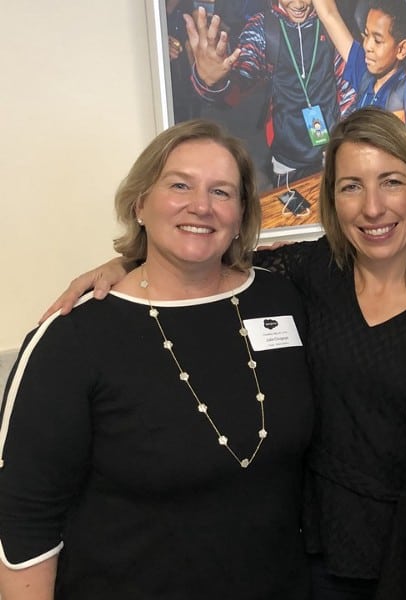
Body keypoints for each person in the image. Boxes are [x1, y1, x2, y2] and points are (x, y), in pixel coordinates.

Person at [36, 107, 406, 600]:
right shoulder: (305, 274)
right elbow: (200, 253)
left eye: (391, 182)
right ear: (330, 199)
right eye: (350, 186)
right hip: (316, 550)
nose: (372, 207)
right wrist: (124, 262)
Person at [0, 120, 314, 598]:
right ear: (140, 202)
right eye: (180, 185)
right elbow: (24, 517)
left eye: (222, 192)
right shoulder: (72, 338)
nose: (201, 206)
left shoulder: (282, 298)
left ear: (241, 213)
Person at [185, 1, 354, 188]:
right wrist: (215, 82)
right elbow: (242, 78)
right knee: (291, 213)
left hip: (334, 150)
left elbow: (349, 86)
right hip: (287, 156)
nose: (298, 4)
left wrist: (343, 138)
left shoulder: (332, 24)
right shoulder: (263, 27)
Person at [311, 0, 406, 140]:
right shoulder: (364, 74)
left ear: (401, 49)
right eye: (366, 35)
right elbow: (329, 15)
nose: (367, 46)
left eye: (378, 40)